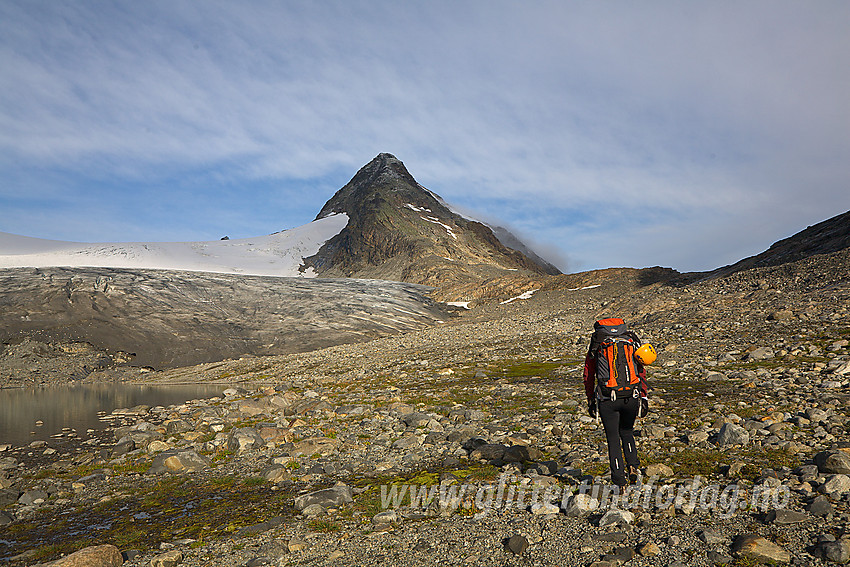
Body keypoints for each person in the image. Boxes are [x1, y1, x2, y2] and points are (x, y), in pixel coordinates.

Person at [582, 318, 653, 487]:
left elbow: (588, 374)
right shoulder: (630, 340)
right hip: (632, 395)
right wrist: (643, 396)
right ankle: (633, 467)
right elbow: (641, 370)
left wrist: (591, 399)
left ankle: (619, 481)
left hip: (608, 398)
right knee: (627, 431)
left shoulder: (598, 343)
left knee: (613, 438)